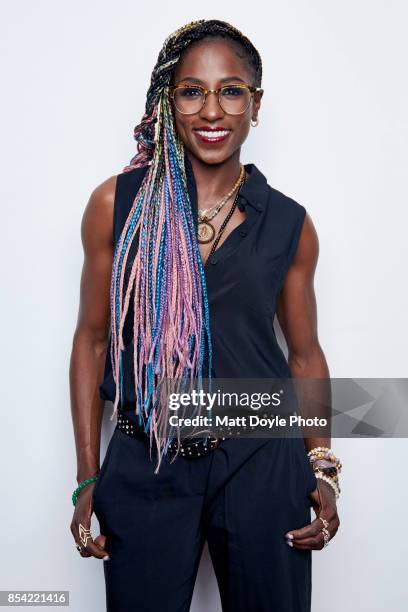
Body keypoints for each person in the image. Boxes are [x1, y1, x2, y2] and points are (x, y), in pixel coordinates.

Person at [70, 19, 341, 612]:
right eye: (192, 91)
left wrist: (322, 466)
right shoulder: (118, 206)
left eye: (232, 90)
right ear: (170, 102)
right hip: (148, 458)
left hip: (260, 460)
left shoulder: (289, 223)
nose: (212, 110)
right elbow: (91, 342)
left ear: (255, 104)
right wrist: (87, 477)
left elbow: (303, 353)